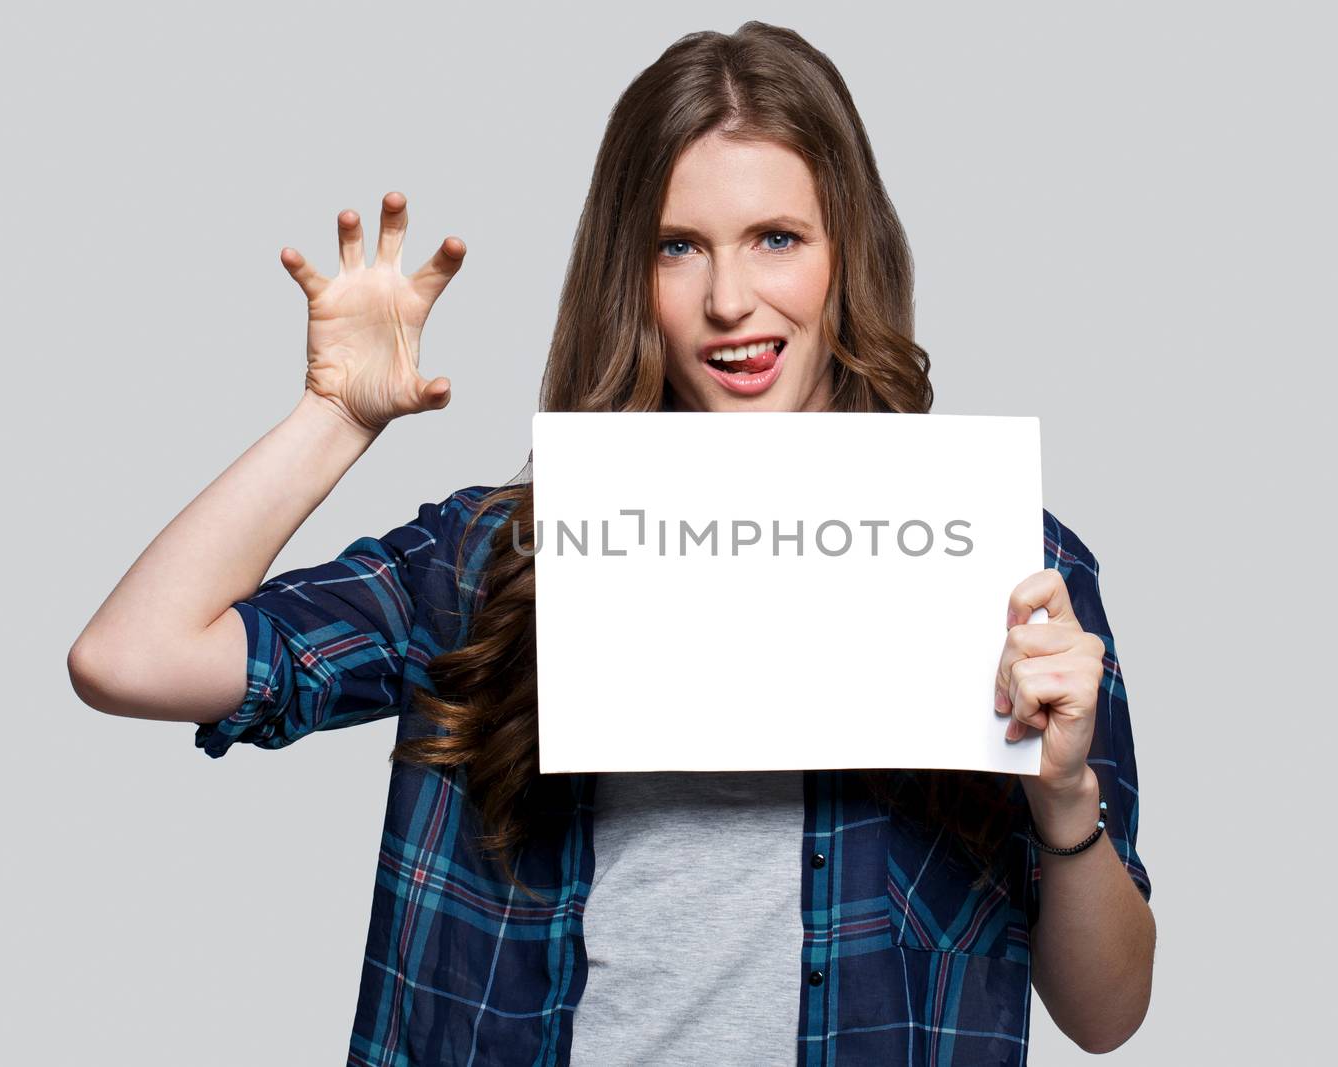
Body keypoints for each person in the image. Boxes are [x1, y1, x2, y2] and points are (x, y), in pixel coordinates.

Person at [68, 20, 1155, 1066]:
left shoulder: (1007, 567)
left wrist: (1062, 802)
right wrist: (335, 417)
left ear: (845, 255)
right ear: (629, 278)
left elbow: (1106, 1013)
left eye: (776, 239)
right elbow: (133, 656)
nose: (731, 300)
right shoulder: (495, 558)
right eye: (678, 247)